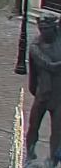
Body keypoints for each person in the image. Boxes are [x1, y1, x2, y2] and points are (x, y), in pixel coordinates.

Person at [26, 13, 61, 159]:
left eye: (47, 29)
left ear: (54, 28)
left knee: (58, 130)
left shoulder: (58, 38)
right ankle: (30, 155)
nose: (44, 32)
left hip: (59, 95)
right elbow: (49, 66)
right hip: (43, 94)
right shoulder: (36, 47)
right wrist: (35, 90)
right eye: (41, 29)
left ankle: (54, 161)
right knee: (33, 126)